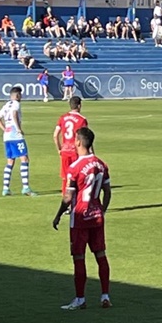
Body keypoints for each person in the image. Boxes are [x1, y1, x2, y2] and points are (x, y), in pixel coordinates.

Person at [52, 127, 112, 310]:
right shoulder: (102, 164)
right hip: (96, 216)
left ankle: (80, 299)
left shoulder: (74, 167)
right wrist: (102, 210)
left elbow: (68, 197)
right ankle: (105, 296)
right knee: (100, 255)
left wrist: (58, 214)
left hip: (79, 217)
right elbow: (107, 192)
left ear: (78, 142)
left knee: (79, 257)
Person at [0, 86, 35, 196]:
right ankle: (26, 187)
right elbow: (14, 114)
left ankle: (5, 188)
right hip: (15, 135)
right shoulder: (16, 104)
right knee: (24, 159)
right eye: (20, 95)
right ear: (17, 95)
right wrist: (18, 129)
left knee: (10, 161)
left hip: (7, 136)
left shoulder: (6, 104)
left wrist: (4, 129)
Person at [54, 96, 88, 182]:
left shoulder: (62, 118)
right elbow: (85, 137)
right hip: (76, 151)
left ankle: (65, 194)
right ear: (79, 106)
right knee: (77, 176)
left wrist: (59, 149)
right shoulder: (82, 120)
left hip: (65, 150)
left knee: (65, 177)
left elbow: (55, 135)